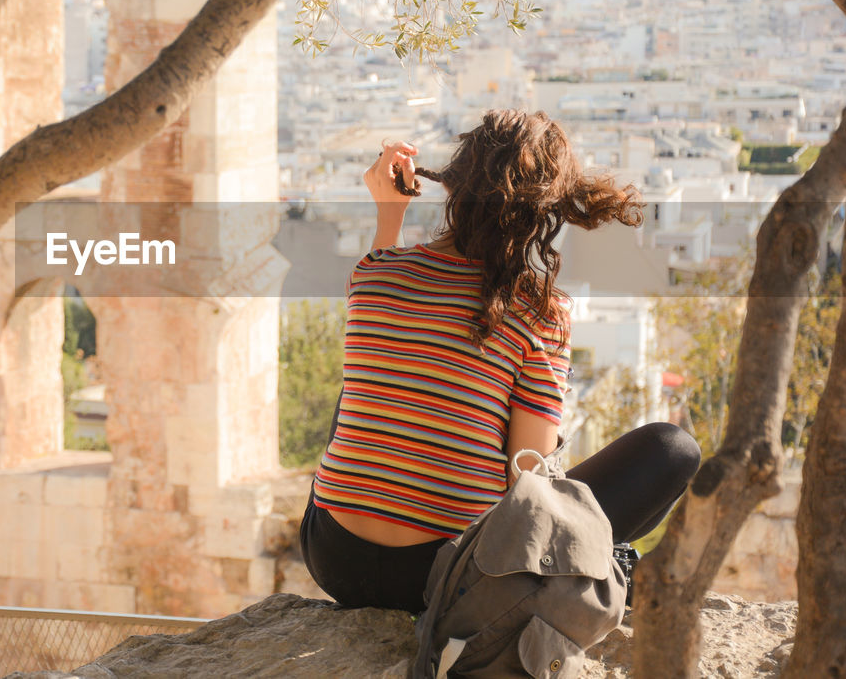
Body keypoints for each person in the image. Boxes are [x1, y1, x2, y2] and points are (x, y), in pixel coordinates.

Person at [300, 109, 702, 614]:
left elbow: (389, 315)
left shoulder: (374, 275)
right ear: (545, 212)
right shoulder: (540, 313)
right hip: (446, 580)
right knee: (673, 447)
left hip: (332, 555)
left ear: (452, 187)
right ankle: (601, 564)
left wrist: (390, 214)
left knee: (376, 369)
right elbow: (526, 481)